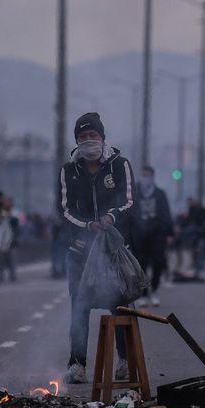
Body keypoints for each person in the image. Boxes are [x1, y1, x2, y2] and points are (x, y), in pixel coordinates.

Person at [58, 112, 135, 384]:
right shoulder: (69, 170)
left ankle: (125, 361)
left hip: (114, 251)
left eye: (93, 136)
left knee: (121, 305)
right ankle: (77, 363)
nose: (89, 141)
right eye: (83, 137)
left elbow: (128, 202)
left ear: (103, 138)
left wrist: (111, 218)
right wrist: (87, 225)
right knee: (79, 306)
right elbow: (65, 210)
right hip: (80, 250)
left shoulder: (120, 165)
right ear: (76, 141)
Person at [132, 166, 173, 306]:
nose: (145, 178)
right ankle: (143, 294)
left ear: (152, 176)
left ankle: (154, 290)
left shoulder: (160, 194)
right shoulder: (133, 193)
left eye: (148, 175)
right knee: (140, 265)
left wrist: (169, 232)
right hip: (139, 234)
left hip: (157, 234)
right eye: (143, 175)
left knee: (157, 263)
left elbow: (166, 213)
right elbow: (128, 213)